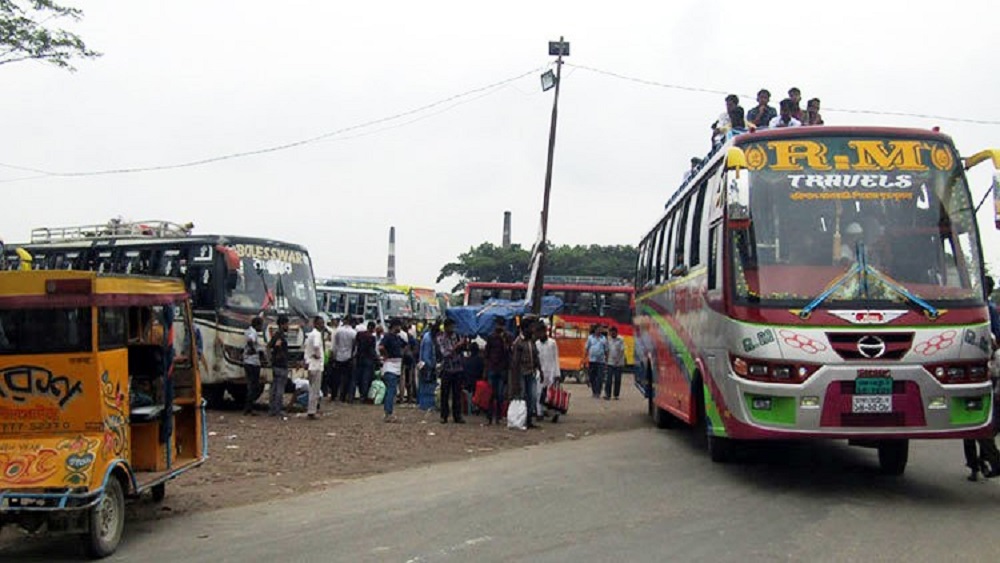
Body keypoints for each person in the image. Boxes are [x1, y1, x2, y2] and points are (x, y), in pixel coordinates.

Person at [964, 275, 1000, 481]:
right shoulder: (983, 307)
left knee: (974, 422)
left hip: (986, 370)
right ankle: (980, 463)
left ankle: (979, 464)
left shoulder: (980, 308)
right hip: (985, 368)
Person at [509, 319, 539, 428]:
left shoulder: (531, 341)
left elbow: (536, 356)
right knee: (523, 396)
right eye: (530, 327)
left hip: (531, 372)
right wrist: (515, 379)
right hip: (521, 373)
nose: (532, 329)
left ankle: (529, 419)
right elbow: (515, 362)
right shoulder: (518, 343)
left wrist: (539, 369)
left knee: (532, 396)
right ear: (524, 328)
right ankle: (522, 420)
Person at [436, 318, 467, 423]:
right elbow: (445, 354)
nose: (452, 329)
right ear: (446, 327)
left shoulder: (458, 336)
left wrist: (463, 345)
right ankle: (444, 416)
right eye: (450, 326)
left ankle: (457, 415)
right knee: (445, 394)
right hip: (446, 369)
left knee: (457, 394)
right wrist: (457, 346)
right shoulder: (441, 338)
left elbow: (462, 351)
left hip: (458, 369)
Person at [483, 317, 511, 425]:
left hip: (502, 369)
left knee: (499, 394)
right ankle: (489, 416)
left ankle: (498, 416)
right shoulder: (491, 337)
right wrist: (486, 369)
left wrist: (504, 341)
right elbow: (486, 353)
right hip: (492, 368)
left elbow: (509, 351)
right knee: (491, 394)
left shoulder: (507, 337)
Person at [379, 319, 408, 422]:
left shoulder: (397, 338)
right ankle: (388, 413)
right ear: (395, 326)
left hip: (396, 365)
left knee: (392, 390)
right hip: (390, 365)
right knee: (391, 390)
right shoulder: (388, 337)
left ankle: (389, 412)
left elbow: (406, 345)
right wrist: (386, 355)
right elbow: (381, 347)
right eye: (399, 326)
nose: (400, 328)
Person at [534, 322, 561, 422]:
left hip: (551, 372)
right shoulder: (536, 344)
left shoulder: (552, 343)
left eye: (541, 332)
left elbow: (556, 358)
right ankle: (539, 413)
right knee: (538, 393)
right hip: (540, 372)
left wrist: (557, 374)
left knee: (552, 395)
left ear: (545, 332)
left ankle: (555, 413)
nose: (540, 334)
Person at [266, 314, 291, 417]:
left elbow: (269, 347)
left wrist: (270, 359)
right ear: (282, 324)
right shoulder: (280, 336)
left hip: (276, 364)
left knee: (274, 388)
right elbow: (275, 348)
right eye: (287, 324)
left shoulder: (277, 335)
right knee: (279, 388)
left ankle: (272, 409)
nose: (288, 326)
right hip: (281, 365)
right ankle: (277, 409)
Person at [304, 315, 326, 419]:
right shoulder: (317, 335)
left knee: (312, 388)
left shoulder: (310, 334)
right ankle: (311, 411)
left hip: (310, 364)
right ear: (316, 324)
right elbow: (316, 346)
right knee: (315, 389)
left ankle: (311, 410)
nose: (323, 325)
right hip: (316, 365)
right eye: (321, 323)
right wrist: (317, 355)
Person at [242, 317, 264, 415]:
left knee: (251, 385)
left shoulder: (248, 331)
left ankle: (248, 408)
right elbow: (250, 340)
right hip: (253, 362)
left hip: (248, 362)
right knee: (253, 386)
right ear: (257, 325)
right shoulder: (253, 332)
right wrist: (254, 350)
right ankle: (249, 408)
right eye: (261, 325)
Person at [418, 321, 441, 411]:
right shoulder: (428, 340)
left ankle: (425, 404)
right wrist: (433, 366)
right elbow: (426, 356)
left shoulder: (427, 336)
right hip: (426, 366)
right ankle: (427, 405)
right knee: (427, 386)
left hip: (425, 365)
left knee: (424, 386)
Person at [354, 321, 378, 403]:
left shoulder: (360, 334)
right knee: (366, 379)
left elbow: (355, 345)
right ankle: (363, 396)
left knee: (357, 378)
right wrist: (376, 358)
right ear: (373, 329)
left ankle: (353, 394)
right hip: (368, 360)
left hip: (359, 358)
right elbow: (372, 350)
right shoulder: (372, 338)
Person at [585, 324, 608, 399]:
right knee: (592, 377)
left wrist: (606, 360)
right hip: (592, 361)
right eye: (598, 329)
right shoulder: (590, 338)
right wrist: (585, 358)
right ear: (595, 330)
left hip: (601, 361)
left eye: (601, 329)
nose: (600, 330)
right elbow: (587, 348)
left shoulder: (604, 339)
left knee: (600, 378)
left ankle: (598, 392)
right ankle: (594, 391)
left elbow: (606, 350)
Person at [605, 326, 626, 400]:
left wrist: (618, 359)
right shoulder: (608, 339)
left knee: (617, 379)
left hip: (618, 363)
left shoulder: (621, 339)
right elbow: (607, 350)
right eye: (611, 333)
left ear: (616, 333)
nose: (612, 334)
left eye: (613, 333)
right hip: (610, 362)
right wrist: (606, 360)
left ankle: (616, 395)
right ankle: (608, 394)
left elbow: (622, 351)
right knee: (609, 379)